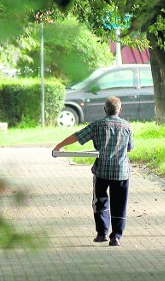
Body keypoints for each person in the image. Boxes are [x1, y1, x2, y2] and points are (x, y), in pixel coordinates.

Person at [53, 96, 133, 247]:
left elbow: (77, 136)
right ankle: (116, 236)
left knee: (100, 201)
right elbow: (129, 148)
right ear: (120, 110)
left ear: (105, 109)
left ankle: (102, 233)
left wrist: (59, 146)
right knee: (120, 204)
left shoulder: (97, 125)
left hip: (102, 171)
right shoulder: (127, 126)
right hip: (122, 172)